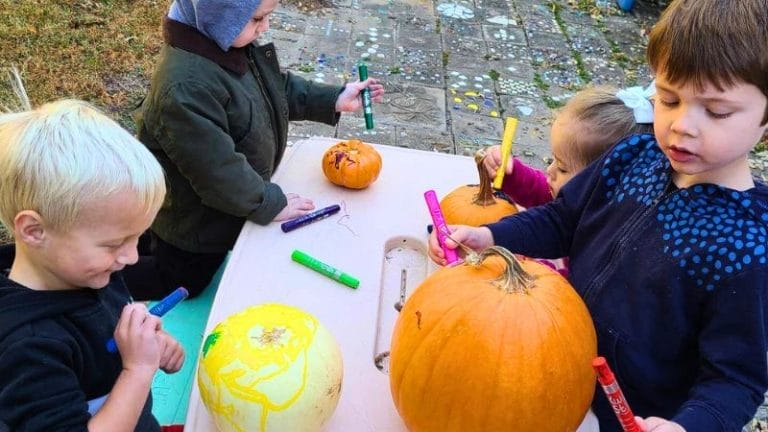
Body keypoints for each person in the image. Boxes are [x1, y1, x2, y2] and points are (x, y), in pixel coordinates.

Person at [429, 0, 768, 430]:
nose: (682, 125)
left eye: (716, 111)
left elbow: (734, 380)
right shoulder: (632, 156)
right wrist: (491, 236)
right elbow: (561, 221)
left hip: (636, 416)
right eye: (667, 99)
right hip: (556, 367)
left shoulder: (748, 250)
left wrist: (687, 426)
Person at [124, 0, 385, 300]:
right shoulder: (185, 88)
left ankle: (130, 244)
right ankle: (98, 276)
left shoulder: (225, 44)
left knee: (154, 244)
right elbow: (219, 173)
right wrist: (271, 202)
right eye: (258, 19)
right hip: (195, 220)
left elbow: (277, 90)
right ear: (221, 16)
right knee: (184, 279)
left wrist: (333, 99)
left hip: (227, 203)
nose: (266, 26)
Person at [0, 91, 184, 431]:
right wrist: (138, 370)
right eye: (115, 243)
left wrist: (150, 342)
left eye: (136, 239)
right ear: (35, 231)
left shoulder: (87, 271)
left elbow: (108, 333)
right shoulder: (28, 347)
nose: (130, 257)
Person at [481, 84, 654, 276]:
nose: (549, 170)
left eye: (562, 168)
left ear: (602, 182)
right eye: (553, 159)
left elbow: (579, 295)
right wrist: (512, 174)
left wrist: (544, 276)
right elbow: (545, 195)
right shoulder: (584, 202)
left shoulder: (613, 248)